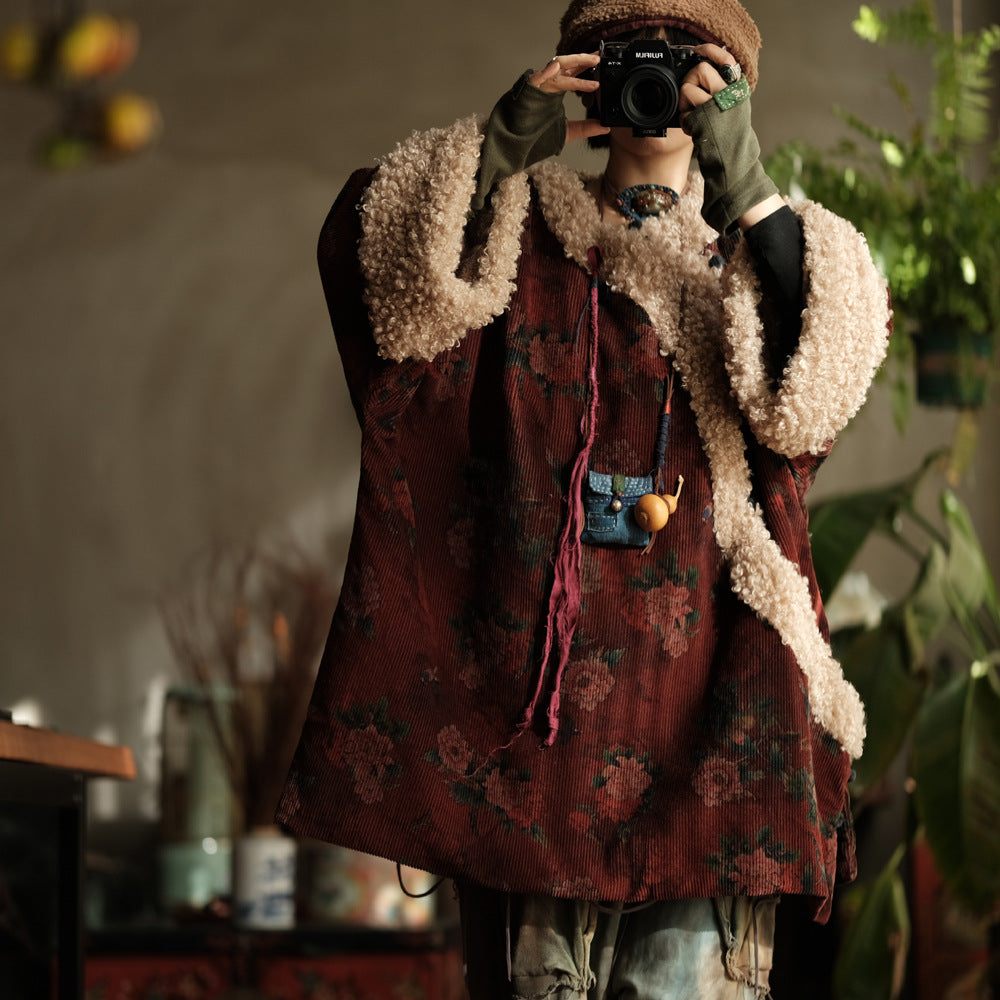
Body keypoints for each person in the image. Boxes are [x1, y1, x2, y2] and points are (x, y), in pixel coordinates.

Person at [276, 0, 891, 996]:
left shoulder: (764, 259)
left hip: (720, 727)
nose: (658, 84)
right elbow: (378, 272)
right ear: (585, 72)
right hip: (538, 748)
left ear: (735, 89)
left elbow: (819, 381)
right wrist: (498, 147)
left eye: (690, 64)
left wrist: (746, 182)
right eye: (632, 58)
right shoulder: (515, 241)